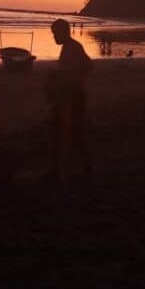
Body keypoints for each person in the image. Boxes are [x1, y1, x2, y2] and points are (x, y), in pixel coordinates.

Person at [47, 18, 93, 183]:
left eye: (54, 34)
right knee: (73, 134)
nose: (54, 37)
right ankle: (81, 169)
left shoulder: (72, 48)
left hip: (72, 96)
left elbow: (87, 66)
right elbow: (86, 66)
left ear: (62, 32)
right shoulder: (71, 47)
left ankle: (61, 172)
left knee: (67, 134)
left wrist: (70, 77)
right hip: (71, 95)